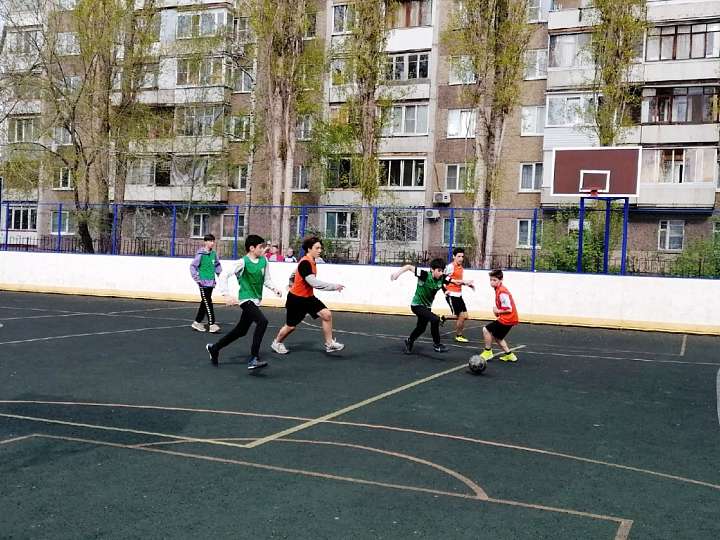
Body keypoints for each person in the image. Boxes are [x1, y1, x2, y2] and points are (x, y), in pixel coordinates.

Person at [206, 234, 282, 372]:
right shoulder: (242, 262)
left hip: (256, 299)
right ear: (252, 248)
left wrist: (275, 289)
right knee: (262, 321)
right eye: (260, 247)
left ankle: (214, 348)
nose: (263, 249)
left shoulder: (264, 261)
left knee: (241, 331)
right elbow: (224, 275)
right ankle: (254, 358)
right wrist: (226, 294)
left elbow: (267, 279)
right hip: (246, 299)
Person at [271, 236, 345, 354]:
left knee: (326, 315)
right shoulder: (305, 263)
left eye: (320, 248)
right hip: (296, 300)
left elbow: (293, 275)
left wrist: (291, 283)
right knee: (290, 326)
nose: (320, 250)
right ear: (309, 249)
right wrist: (334, 286)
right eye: (317, 248)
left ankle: (329, 344)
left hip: (309, 298)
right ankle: (277, 343)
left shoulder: (311, 261)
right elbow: (314, 283)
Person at [391, 258, 473, 354]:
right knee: (435, 319)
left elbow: (455, 281)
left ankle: (409, 341)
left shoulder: (443, 278)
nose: (441, 273)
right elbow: (408, 267)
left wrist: (466, 283)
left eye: (442, 271)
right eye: (439, 270)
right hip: (417, 305)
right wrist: (397, 274)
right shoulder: (424, 275)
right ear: (432, 270)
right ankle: (437, 345)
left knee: (421, 328)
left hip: (427, 307)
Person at [478, 269, 519, 362]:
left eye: (494, 280)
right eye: (491, 280)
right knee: (498, 337)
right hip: (510, 318)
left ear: (501, 280)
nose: (492, 282)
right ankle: (510, 355)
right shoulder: (498, 289)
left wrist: (497, 311)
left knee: (486, 329)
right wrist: (498, 312)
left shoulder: (502, 291)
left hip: (508, 319)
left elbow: (509, 309)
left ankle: (488, 352)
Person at [189, 233, 222, 333]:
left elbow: (217, 265)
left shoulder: (214, 254)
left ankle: (197, 322)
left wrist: (220, 275)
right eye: (210, 241)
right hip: (202, 282)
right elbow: (193, 266)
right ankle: (212, 324)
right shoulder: (200, 254)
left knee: (205, 303)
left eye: (213, 241)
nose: (212, 243)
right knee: (208, 302)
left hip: (211, 282)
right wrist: (197, 278)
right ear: (205, 242)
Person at [444, 247, 474, 343]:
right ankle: (459, 335)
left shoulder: (461, 268)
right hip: (451, 294)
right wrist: (445, 290)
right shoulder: (450, 267)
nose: (461, 258)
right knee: (461, 316)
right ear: (454, 256)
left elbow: (458, 281)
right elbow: (443, 279)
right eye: (459, 256)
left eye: (462, 256)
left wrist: (467, 285)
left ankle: (443, 317)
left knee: (465, 316)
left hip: (459, 294)